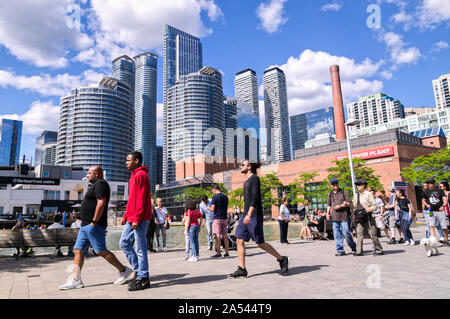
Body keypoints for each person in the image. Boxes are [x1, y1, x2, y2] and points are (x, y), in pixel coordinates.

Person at [59, 166, 133, 290]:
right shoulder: (95, 185)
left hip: (94, 224)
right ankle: (76, 280)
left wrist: (94, 221)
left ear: (97, 174)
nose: (87, 175)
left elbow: (101, 202)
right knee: (78, 250)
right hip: (85, 225)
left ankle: (124, 270)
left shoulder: (101, 184)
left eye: (89, 173)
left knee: (100, 250)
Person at [229, 160, 288, 278]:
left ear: (249, 167)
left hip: (254, 215)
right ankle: (242, 268)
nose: (240, 166)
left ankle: (282, 259)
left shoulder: (254, 179)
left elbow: (255, 197)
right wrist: (244, 214)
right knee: (239, 239)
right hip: (245, 215)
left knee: (260, 243)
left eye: (242, 165)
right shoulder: (246, 181)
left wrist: (249, 214)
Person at [120, 151, 153, 291]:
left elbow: (141, 199)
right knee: (123, 242)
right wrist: (126, 216)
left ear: (137, 161)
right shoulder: (132, 176)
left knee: (140, 248)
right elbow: (131, 199)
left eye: (128, 160)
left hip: (140, 219)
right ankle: (139, 270)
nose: (126, 162)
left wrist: (137, 219)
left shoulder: (141, 175)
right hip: (131, 218)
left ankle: (143, 278)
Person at [352, 180, 384, 256]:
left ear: (363, 185)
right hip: (359, 217)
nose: (357, 186)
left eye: (359, 185)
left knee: (372, 234)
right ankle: (359, 251)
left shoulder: (369, 194)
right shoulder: (356, 195)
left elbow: (375, 206)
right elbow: (354, 206)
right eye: (357, 185)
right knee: (359, 234)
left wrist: (369, 209)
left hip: (368, 217)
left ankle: (379, 249)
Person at [326, 179, 356, 256]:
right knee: (336, 235)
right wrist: (327, 213)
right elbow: (329, 205)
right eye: (333, 184)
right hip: (334, 217)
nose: (335, 185)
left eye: (336, 183)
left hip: (344, 217)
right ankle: (340, 250)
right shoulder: (330, 194)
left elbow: (349, 203)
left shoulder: (344, 192)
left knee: (346, 233)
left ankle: (353, 247)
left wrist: (340, 206)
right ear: (331, 185)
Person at [422, 179, 449, 246]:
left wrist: (443, 206)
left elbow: (445, 200)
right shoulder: (426, 192)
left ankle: (446, 240)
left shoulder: (440, 191)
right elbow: (423, 200)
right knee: (431, 226)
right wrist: (426, 204)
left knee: (444, 227)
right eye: (429, 183)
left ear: (434, 183)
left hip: (440, 211)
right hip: (431, 211)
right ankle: (432, 242)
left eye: (431, 183)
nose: (430, 184)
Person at [208, 185, 230, 258]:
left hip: (217, 218)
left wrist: (208, 207)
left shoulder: (214, 197)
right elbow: (226, 207)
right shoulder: (225, 196)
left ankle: (218, 253)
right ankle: (227, 253)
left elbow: (212, 209)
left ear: (215, 189)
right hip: (224, 218)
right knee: (225, 235)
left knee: (217, 236)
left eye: (212, 191)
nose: (212, 192)